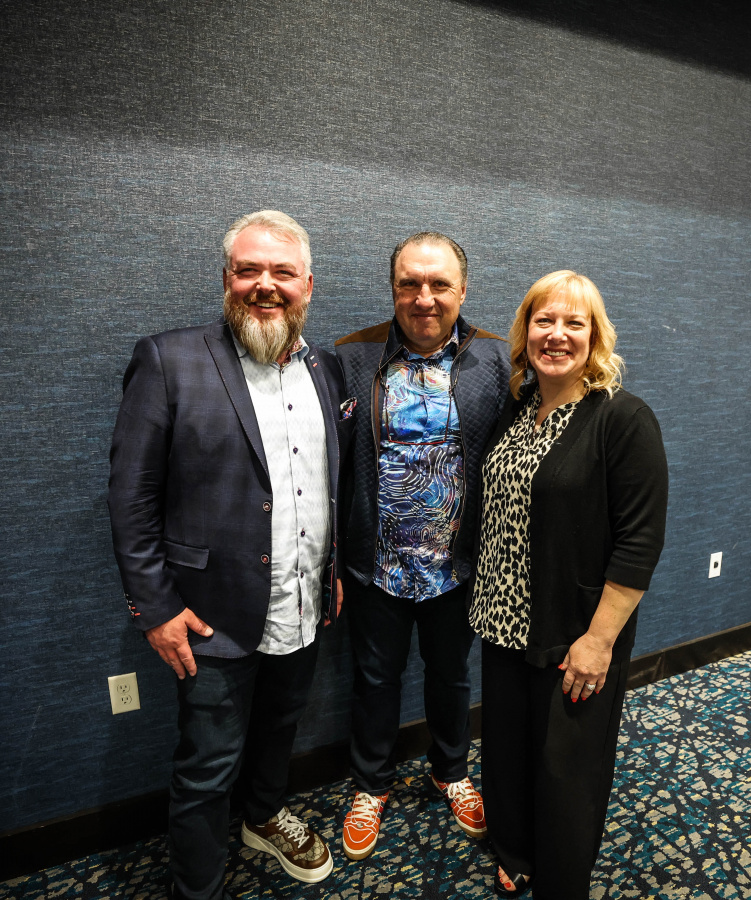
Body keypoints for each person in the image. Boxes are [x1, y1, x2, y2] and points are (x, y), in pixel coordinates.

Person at [107, 210, 350, 900]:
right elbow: (130, 497)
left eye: (282, 272)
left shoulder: (327, 368)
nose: (265, 285)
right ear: (226, 279)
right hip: (209, 613)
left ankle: (264, 815)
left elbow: (329, 482)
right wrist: (156, 608)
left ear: (308, 285)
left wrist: (331, 568)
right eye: (249, 270)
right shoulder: (170, 360)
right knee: (207, 767)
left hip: (303, 599)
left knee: (280, 729)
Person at [469, 270, 668, 899]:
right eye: (544, 321)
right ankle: (515, 849)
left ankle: (559, 880)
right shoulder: (517, 409)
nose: (556, 335)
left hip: (575, 631)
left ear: (595, 337)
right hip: (502, 620)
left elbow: (639, 544)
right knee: (508, 748)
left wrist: (599, 641)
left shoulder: (623, 419)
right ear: (525, 332)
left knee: (566, 767)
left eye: (573, 323)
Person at [333, 232, 510, 860]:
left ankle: (451, 771)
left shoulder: (498, 359)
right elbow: (329, 465)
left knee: (451, 676)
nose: (424, 297)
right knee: (374, 678)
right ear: (393, 289)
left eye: (439, 284)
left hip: (458, 565)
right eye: (409, 283)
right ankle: (371, 785)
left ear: (463, 290)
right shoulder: (351, 358)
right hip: (375, 562)